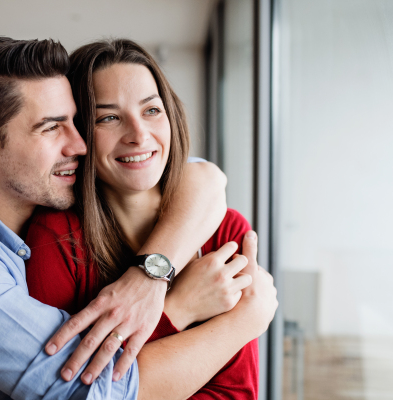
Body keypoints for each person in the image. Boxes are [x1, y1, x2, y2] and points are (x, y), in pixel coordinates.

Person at [0, 36, 277, 399]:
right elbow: (90, 391)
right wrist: (229, 318)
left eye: (76, 121)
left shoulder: (55, 209)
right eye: (51, 128)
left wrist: (149, 275)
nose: (79, 143)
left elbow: (202, 174)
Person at [25, 39, 264, 398]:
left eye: (151, 111)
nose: (139, 135)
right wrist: (177, 309)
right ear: (80, 132)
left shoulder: (227, 231)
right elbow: (69, 386)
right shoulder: (54, 236)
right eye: (109, 117)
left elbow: (236, 392)